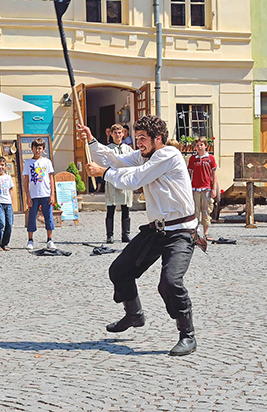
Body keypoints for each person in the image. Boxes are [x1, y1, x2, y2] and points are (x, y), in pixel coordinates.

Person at [77, 115, 200, 356]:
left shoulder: (168, 155)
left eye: (143, 138)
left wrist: (103, 173)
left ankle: (188, 335)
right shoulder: (145, 155)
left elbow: (134, 179)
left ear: (158, 138)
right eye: (138, 138)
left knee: (170, 282)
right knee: (119, 270)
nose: (139, 143)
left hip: (181, 231)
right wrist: (91, 141)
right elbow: (116, 159)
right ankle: (134, 314)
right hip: (157, 230)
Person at [24, 138, 56, 250]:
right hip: (33, 195)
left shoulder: (47, 162)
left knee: (49, 217)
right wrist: (27, 196)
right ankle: (30, 240)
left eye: (40, 148)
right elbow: (26, 180)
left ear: (43, 149)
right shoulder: (28, 163)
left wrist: (52, 194)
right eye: (35, 148)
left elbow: (51, 178)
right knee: (32, 217)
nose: (37, 150)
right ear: (32, 148)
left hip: (46, 194)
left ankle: (50, 240)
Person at [104, 124, 134, 244]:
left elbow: (134, 162)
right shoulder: (108, 149)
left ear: (123, 134)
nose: (118, 135)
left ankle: (125, 234)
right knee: (110, 207)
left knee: (126, 207)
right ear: (111, 134)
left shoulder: (128, 149)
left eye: (120, 132)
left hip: (125, 180)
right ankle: (109, 235)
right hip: (112, 180)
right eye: (115, 132)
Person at [187, 136, 217, 241]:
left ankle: (206, 233)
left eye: (201, 145)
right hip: (195, 188)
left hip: (206, 188)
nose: (200, 147)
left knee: (206, 211)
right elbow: (188, 174)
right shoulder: (192, 159)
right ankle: (194, 233)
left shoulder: (210, 158)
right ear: (195, 147)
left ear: (206, 146)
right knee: (194, 211)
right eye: (197, 145)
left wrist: (214, 188)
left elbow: (214, 174)